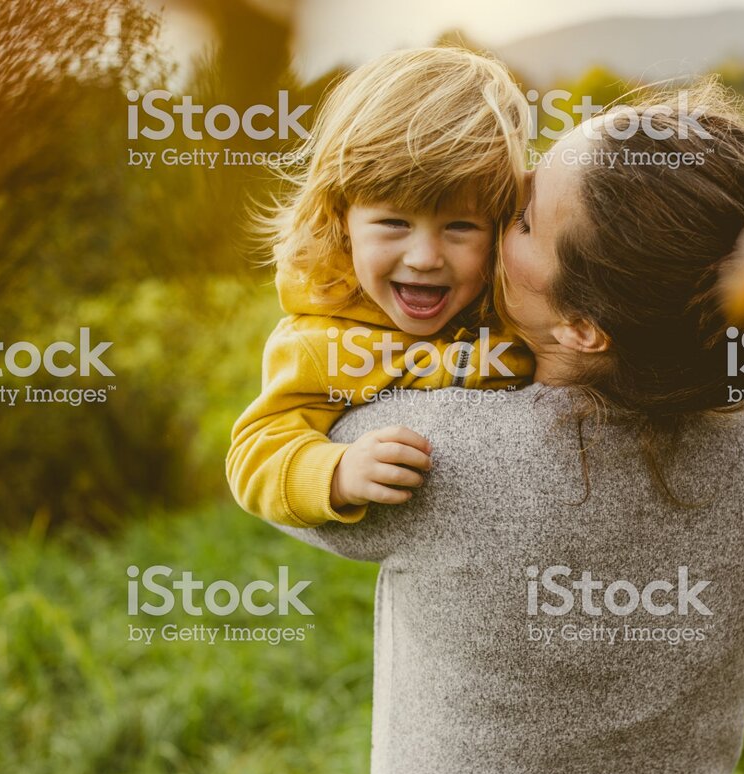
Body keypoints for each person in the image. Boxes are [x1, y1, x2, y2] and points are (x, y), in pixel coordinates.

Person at [269, 82, 744, 774]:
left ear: (581, 326)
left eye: (519, 220)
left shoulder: (432, 452)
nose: (493, 209)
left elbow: (286, 463)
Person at [226, 47, 534, 529]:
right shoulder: (319, 342)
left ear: (499, 227)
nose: (425, 258)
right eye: (394, 223)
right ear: (340, 219)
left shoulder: (519, 304)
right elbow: (255, 452)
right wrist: (336, 472)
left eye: (460, 227)